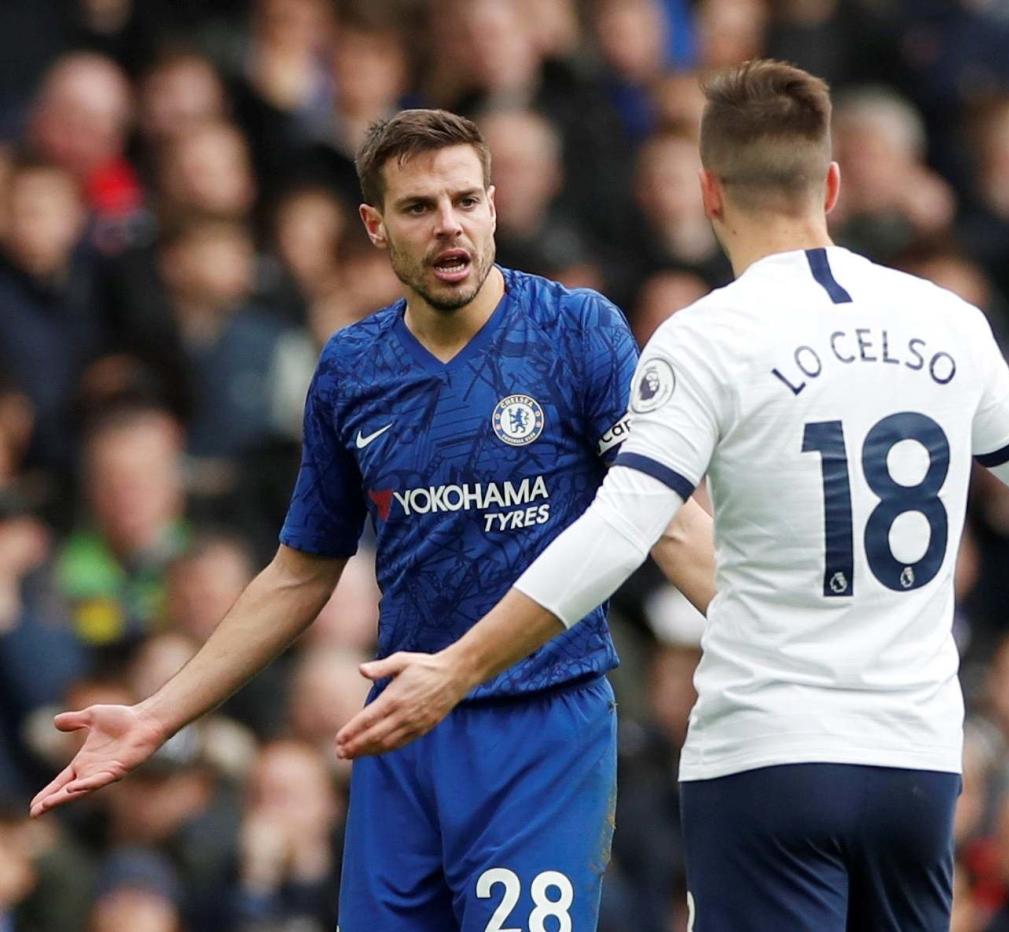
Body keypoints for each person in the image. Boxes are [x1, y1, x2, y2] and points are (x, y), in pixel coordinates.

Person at [346, 61, 1009, 931]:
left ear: (709, 193)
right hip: (915, 765)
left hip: (767, 757)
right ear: (835, 183)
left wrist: (457, 666)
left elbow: (622, 528)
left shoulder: (703, 340)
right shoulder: (945, 321)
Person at [30, 109, 716, 931]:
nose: (449, 225)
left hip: (542, 727)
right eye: (419, 208)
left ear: (495, 205)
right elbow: (299, 571)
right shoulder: (353, 369)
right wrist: (156, 715)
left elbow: (667, 520)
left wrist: (795, 644)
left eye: (465, 199)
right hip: (400, 734)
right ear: (375, 226)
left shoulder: (578, 332)